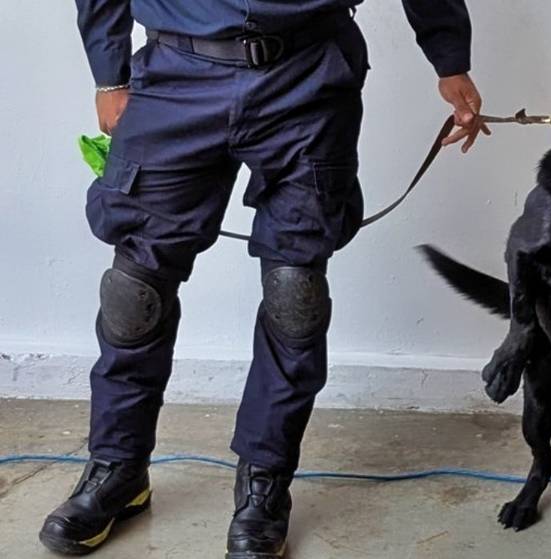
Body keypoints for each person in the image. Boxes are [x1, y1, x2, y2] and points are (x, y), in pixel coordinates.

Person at [40, 2, 486, 557]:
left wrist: (449, 58)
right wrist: (109, 74)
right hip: (176, 71)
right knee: (135, 292)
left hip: (308, 76)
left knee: (294, 293)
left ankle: (264, 483)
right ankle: (117, 467)